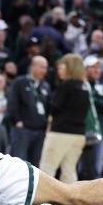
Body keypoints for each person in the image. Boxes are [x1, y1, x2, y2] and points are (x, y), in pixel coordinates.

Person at [39, 54, 89, 183]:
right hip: (78, 135)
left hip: (60, 133)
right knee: (69, 171)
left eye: (61, 67)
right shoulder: (85, 87)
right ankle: (70, 202)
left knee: (47, 169)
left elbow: (54, 108)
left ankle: (42, 201)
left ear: (70, 68)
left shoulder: (66, 85)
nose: (59, 70)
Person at [7, 55, 50, 167]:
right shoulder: (20, 82)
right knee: (19, 164)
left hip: (40, 131)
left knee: (35, 166)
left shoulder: (46, 86)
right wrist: (17, 121)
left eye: (45, 68)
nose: (44, 70)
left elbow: (48, 107)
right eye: (41, 67)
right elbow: (12, 102)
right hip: (23, 130)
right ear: (33, 67)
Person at [79, 55, 103, 181]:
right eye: (93, 67)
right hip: (83, 131)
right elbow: (90, 102)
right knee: (81, 166)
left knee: (97, 168)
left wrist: (100, 101)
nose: (97, 70)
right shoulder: (81, 85)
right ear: (85, 69)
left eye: (98, 68)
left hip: (102, 131)